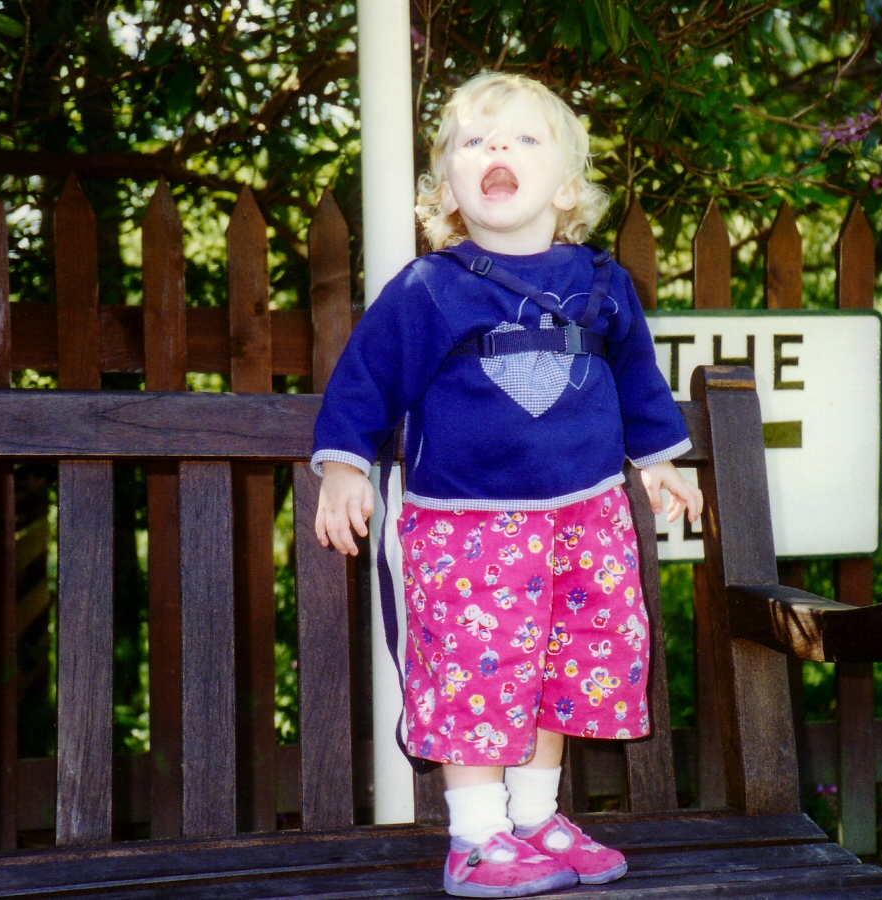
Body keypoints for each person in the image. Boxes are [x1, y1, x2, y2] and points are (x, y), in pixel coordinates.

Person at [310, 72, 702, 898]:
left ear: (566, 188)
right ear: (449, 190)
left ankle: (534, 821)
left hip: (586, 518)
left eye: (524, 138)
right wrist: (344, 466)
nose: (496, 147)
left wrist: (660, 462)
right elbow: (366, 381)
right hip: (469, 524)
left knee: (561, 662)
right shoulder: (431, 289)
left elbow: (639, 385)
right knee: (479, 669)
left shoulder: (603, 285)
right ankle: (475, 837)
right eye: (474, 141)